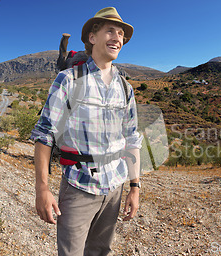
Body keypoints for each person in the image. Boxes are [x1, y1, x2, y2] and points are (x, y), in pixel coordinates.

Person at [31, 7, 142, 256]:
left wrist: (134, 187)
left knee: (101, 251)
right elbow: (44, 134)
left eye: (121, 33)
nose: (117, 37)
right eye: (110, 31)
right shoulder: (68, 79)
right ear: (92, 38)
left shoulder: (126, 88)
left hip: (115, 187)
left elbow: (132, 138)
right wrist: (42, 189)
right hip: (78, 187)